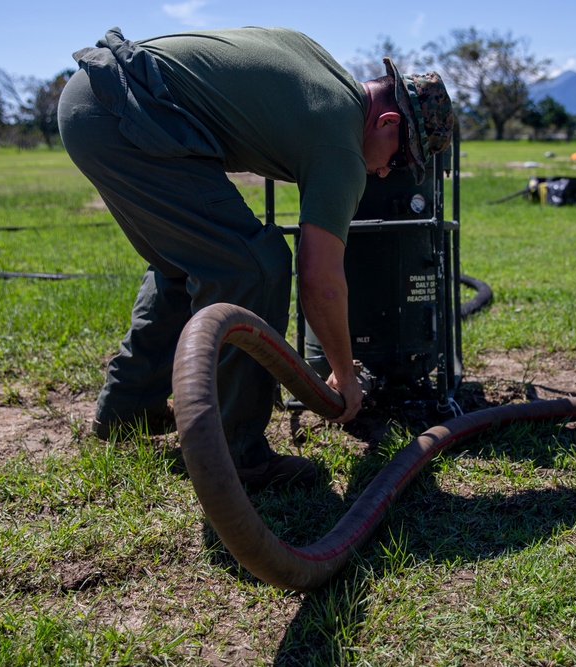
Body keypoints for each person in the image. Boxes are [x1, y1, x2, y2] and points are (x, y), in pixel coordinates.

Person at [58, 26, 454, 491]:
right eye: (401, 157)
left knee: (182, 264)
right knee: (254, 266)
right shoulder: (340, 142)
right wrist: (345, 375)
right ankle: (237, 454)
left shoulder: (320, 64)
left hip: (95, 98)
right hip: (130, 114)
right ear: (387, 121)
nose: (388, 170)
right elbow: (320, 279)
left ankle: (128, 410)